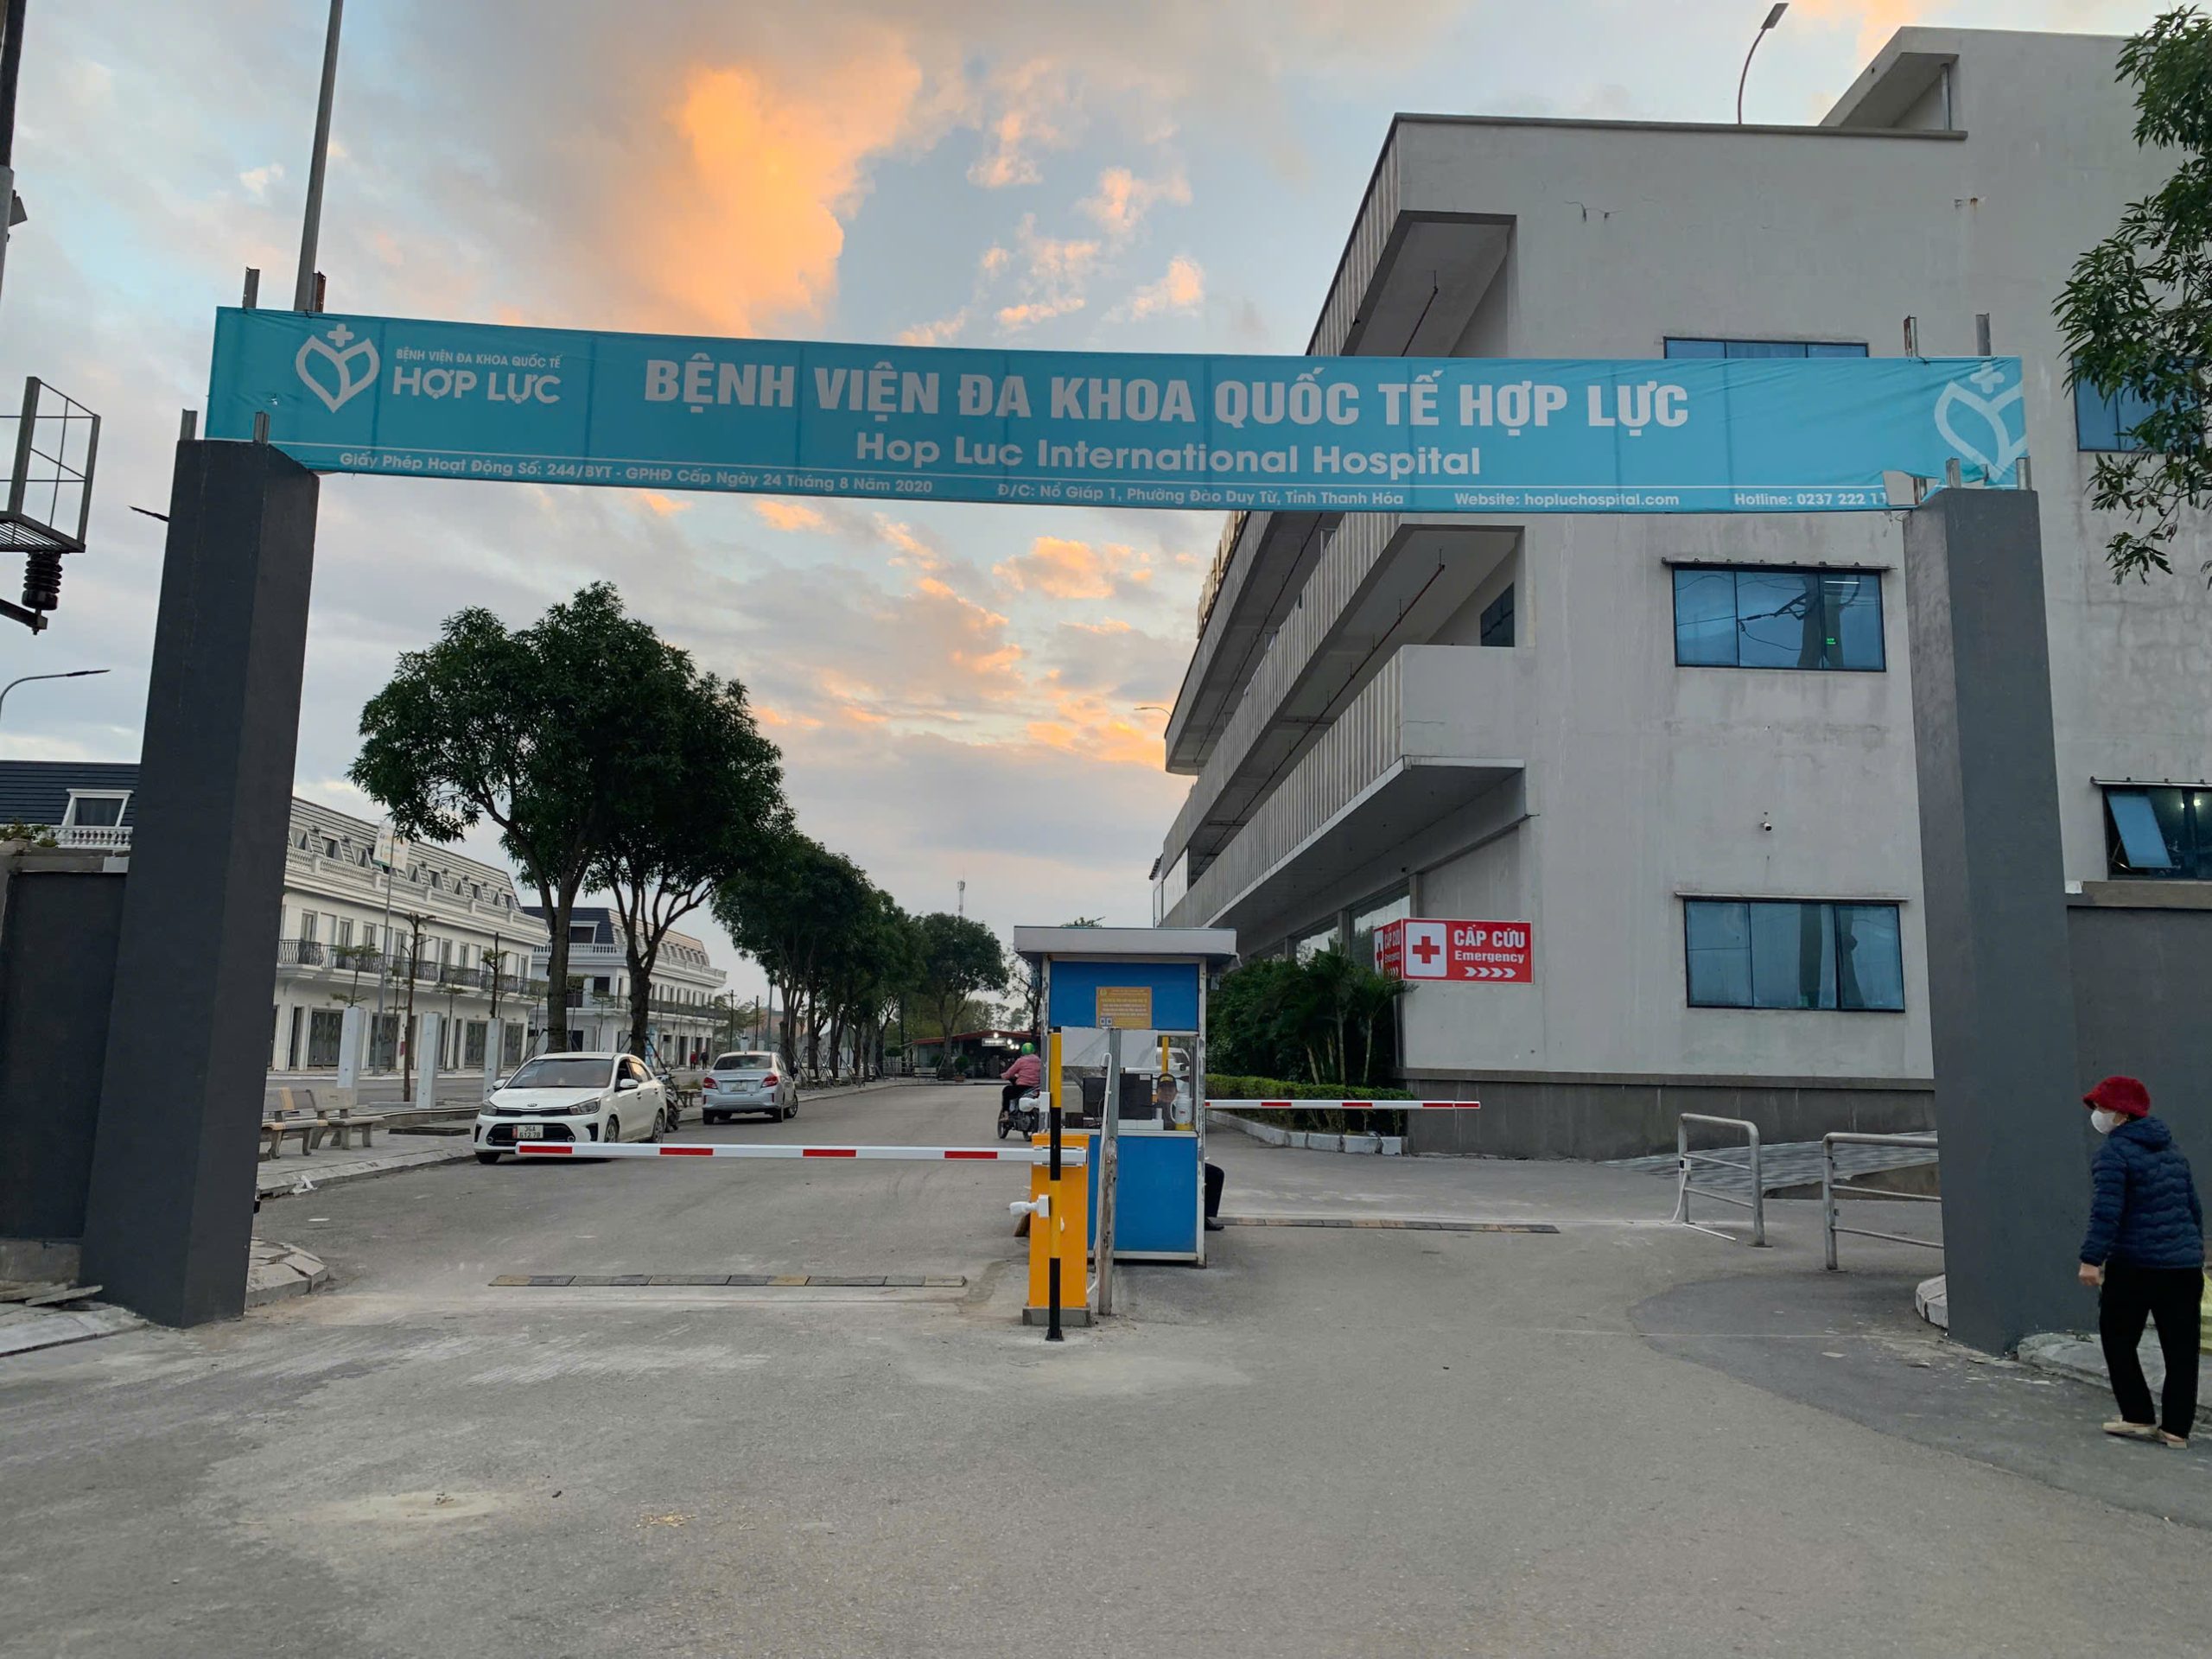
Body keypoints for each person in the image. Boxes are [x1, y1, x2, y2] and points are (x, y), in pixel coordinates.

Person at [2077, 1075, 2204, 1448]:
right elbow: (2193, 1208)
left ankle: (2137, 1415)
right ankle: (2177, 1429)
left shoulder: (2113, 1154)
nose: (2097, 1114)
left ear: (2122, 1113)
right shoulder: (2172, 1151)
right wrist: (2193, 1251)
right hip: (2183, 1267)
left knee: (2118, 1338)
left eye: (2102, 1108)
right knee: (2182, 1349)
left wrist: (2091, 1260)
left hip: (2134, 1266)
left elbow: (2106, 1212)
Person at [1000, 1042, 1042, 1124]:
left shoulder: (1021, 1061)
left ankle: (1006, 1115)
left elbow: (1010, 1073)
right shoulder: (1039, 1061)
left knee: (1006, 1091)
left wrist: (1003, 1076)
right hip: (1036, 1087)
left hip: (1022, 1087)